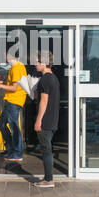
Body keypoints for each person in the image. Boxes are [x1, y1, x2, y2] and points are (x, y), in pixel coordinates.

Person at [33, 50, 60, 188]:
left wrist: (38, 120)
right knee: (47, 149)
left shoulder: (44, 79)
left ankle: (49, 180)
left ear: (43, 63)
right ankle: (48, 178)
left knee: (46, 150)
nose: (35, 65)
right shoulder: (53, 78)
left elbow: (44, 102)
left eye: (37, 62)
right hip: (53, 119)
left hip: (46, 120)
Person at [0, 52, 28, 162]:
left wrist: (0, 85)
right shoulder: (16, 67)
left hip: (14, 101)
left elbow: (14, 88)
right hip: (11, 101)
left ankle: (17, 153)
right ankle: (11, 150)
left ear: (9, 56)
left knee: (14, 128)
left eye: (4, 55)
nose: (3, 57)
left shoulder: (17, 68)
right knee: (1, 124)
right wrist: (3, 82)